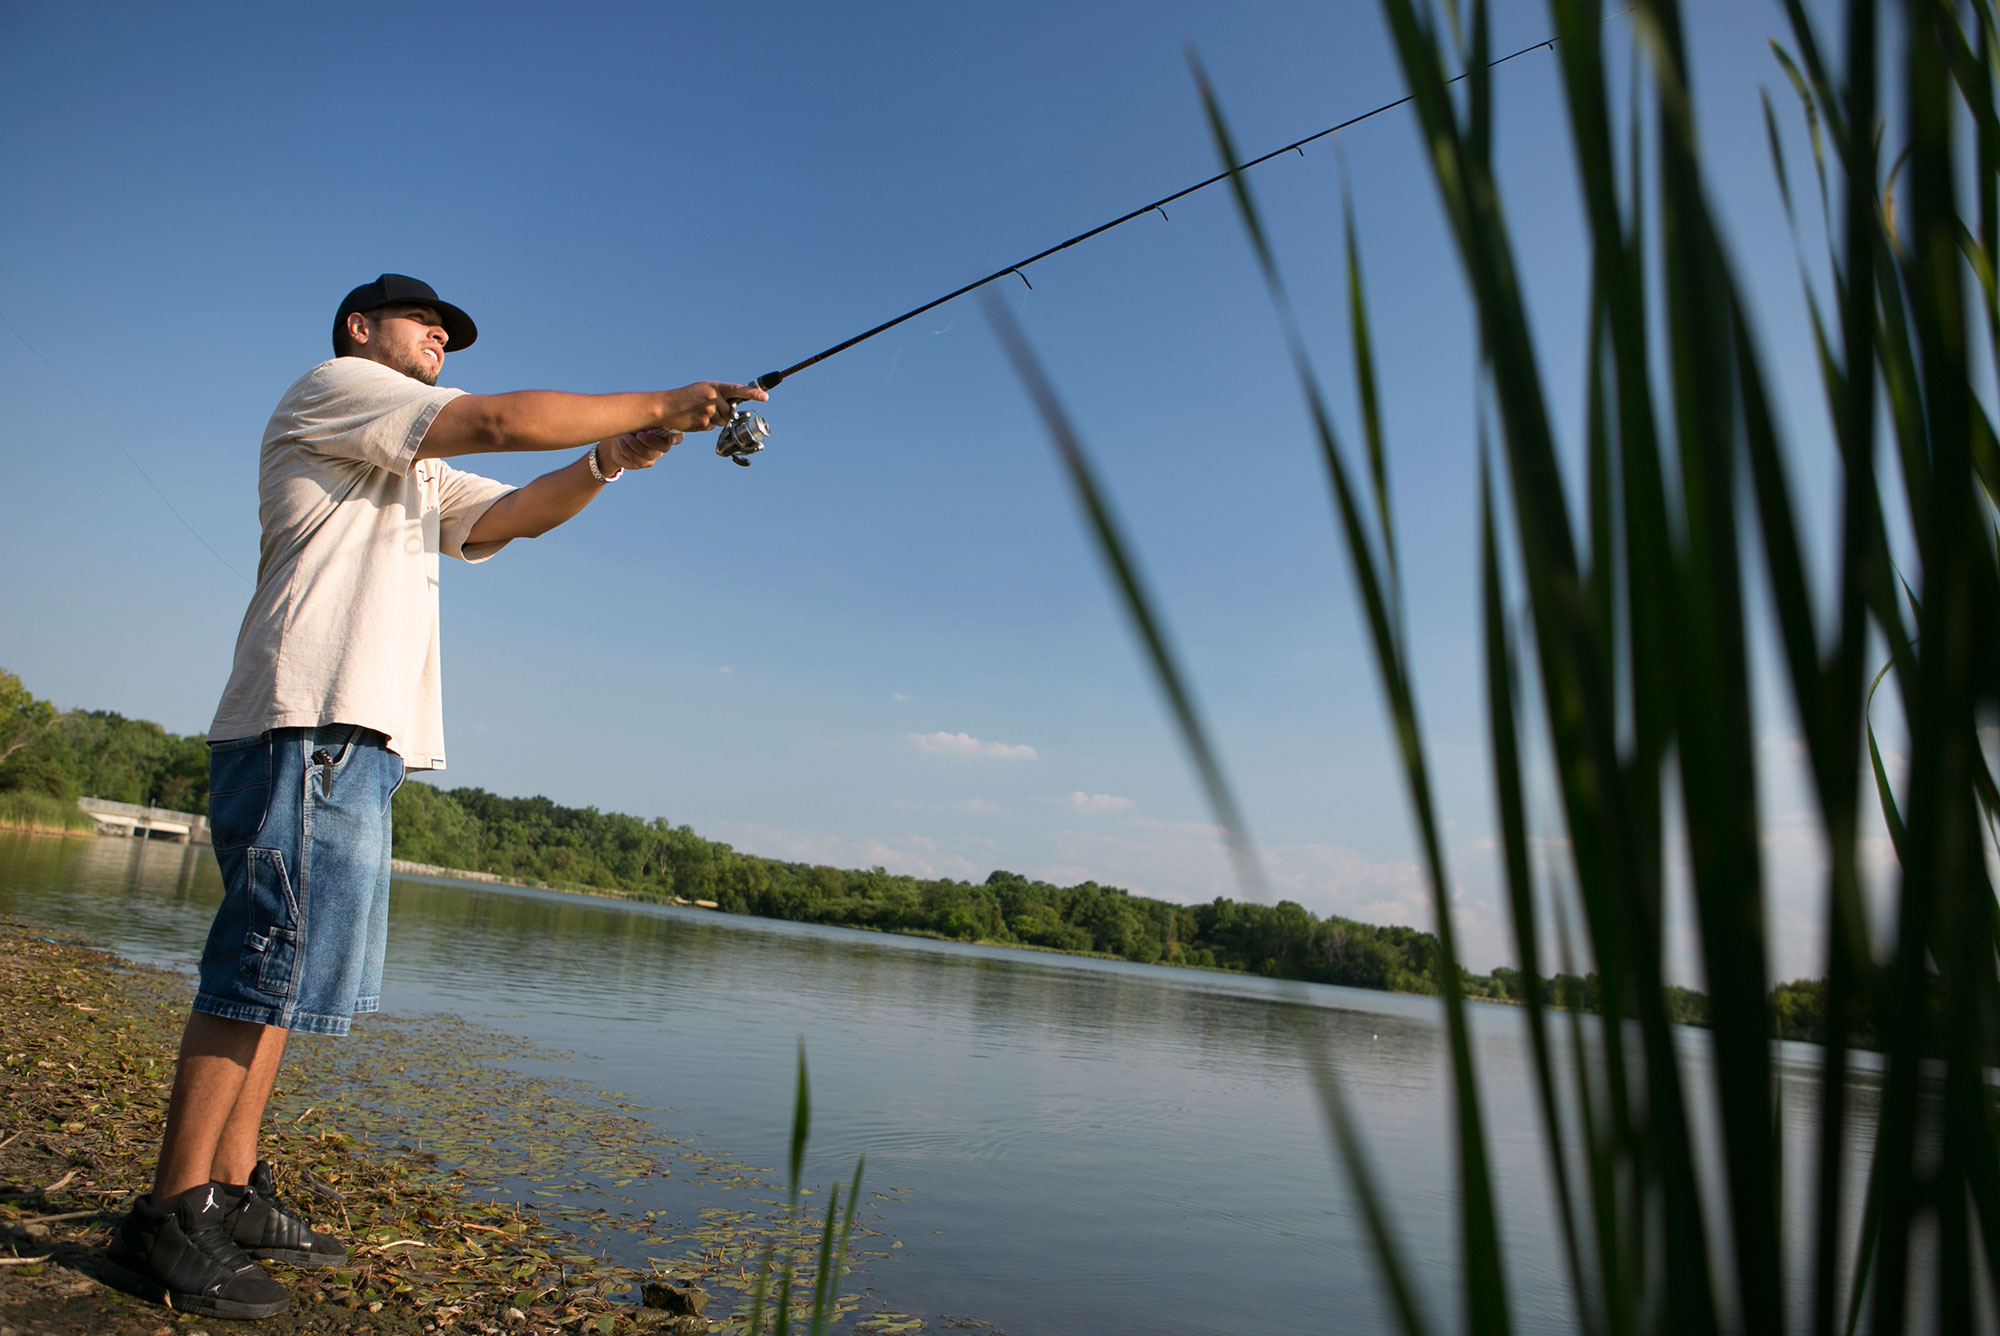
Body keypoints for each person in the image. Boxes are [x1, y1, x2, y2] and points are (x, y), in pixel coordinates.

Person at [105, 274, 767, 1319]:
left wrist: (607, 459)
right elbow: (501, 422)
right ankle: (167, 1214)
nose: (441, 344)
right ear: (363, 328)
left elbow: (510, 517)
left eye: (450, 337)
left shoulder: (413, 464)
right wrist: (653, 401)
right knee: (259, 964)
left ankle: (227, 1191)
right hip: (306, 718)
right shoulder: (338, 388)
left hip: (357, 737)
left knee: (285, 979)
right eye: (429, 327)